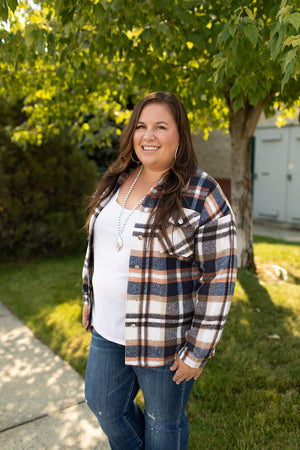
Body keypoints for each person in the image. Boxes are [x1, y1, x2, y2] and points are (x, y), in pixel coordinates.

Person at [82, 91, 237, 450]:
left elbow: (219, 278)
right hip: (106, 330)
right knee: (103, 404)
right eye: (141, 126)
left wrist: (198, 350)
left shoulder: (201, 192)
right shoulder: (118, 178)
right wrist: (88, 293)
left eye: (160, 127)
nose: (148, 136)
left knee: (163, 425)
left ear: (179, 135)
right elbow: (97, 244)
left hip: (165, 340)